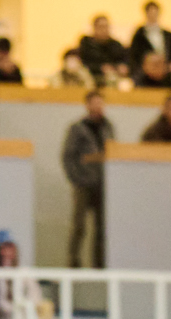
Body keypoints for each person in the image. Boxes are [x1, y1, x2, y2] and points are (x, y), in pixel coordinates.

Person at [63, 91, 113, 269]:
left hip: (102, 184)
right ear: (87, 105)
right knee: (79, 225)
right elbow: (68, 156)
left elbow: (112, 152)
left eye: (101, 103)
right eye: (94, 103)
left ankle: (99, 263)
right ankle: (73, 261)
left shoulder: (108, 127)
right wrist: (77, 178)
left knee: (102, 226)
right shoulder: (78, 128)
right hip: (84, 183)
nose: (98, 106)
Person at [126, 3, 171, 77]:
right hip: (144, 77)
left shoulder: (168, 36)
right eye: (151, 13)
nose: (153, 16)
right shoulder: (139, 35)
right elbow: (133, 55)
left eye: (155, 13)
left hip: (165, 76)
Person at [76, 14, 128, 85]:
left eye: (106, 27)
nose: (104, 30)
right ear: (94, 28)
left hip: (112, 76)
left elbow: (124, 59)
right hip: (91, 76)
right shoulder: (87, 44)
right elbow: (83, 62)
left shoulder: (115, 45)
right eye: (101, 27)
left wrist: (121, 67)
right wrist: (100, 68)